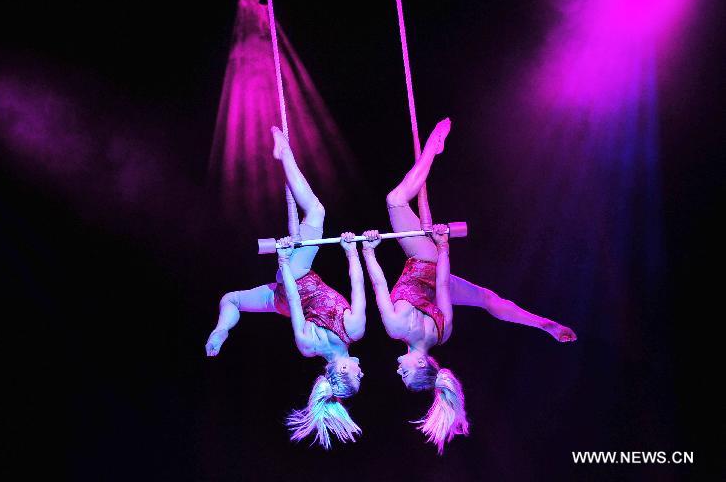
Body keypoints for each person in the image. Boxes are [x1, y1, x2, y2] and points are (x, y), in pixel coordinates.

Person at [362, 118, 576, 453]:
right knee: (395, 201)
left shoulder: (443, 333)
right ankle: (433, 148)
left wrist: (444, 246)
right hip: (425, 263)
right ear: (420, 365)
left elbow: (444, 287)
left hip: (435, 269)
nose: (397, 370)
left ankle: (543, 324)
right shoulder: (395, 328)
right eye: (404, 375)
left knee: (488, 299)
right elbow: (396, 283)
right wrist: (369, 249)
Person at [205, 127, 366, 448]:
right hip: (284, 295)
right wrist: (284, 270)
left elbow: (353, 283)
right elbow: (291, 304)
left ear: (343, 368)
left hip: (298, 277)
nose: (362, 372)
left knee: (317, 213)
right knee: (232, 299)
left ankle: (285, 155)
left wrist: (350, 252)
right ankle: (221, 330)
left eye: (356, 376)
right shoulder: (308, 348)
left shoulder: (354, 330)